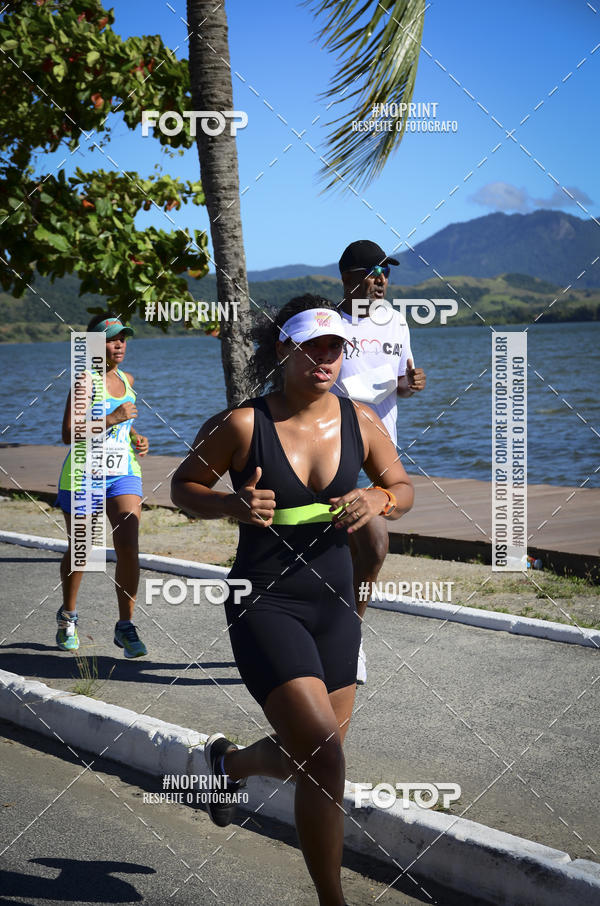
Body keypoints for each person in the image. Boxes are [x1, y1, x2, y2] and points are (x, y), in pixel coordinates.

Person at [171, 295, 413, 906]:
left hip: (335, 607)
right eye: (313, 348)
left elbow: (401, 486)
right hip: (265, 603)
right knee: (327, 760)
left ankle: (227, 770)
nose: (326, 360)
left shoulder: (361, 421)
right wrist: (229, 504)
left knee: (315, 759)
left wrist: (379, 502)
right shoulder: (244, 424)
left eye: (336, 349)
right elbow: (183, 487)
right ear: (284, 350)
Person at [333, 240, 427, 683]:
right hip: (329, 446)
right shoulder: (329, 323)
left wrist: (411, 382)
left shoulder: (398, 324)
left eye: (386, 272)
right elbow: (329, 387)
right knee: (318, 547)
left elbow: (400, 384)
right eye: (372, 272)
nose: (381, 279)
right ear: (348, 277)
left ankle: (351, 635)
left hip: (379, 447)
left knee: (373, 545)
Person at [54, 313, 149, 658]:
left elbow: (123, 428)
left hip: (123, 470)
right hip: (85, 472)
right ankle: (68, 617)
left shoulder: (127, 378)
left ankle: (125, 626)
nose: (119, 343)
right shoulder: (84, 381)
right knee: (85, 552)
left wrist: (137, 438)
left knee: (128, 544)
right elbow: (68, 433)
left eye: (123, 337)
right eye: (111, 339)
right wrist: (111, 418)